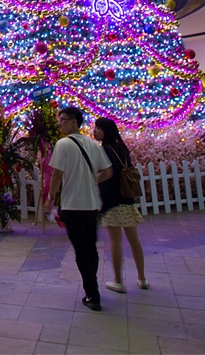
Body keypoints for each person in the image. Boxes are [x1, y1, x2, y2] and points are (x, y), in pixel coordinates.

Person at [51, 106, 113, 311]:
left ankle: (92, 293)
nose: (60, 123)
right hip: (92, 205)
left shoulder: (63, 144)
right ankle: (92, 285)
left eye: (63, 120)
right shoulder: (94, 145)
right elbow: (108, 171)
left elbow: (57, 175)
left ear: (74, 122)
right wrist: (93, 180)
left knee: (81, 249)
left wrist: (50, 198)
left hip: (72, 205)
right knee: (90, 247)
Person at [93, 117, 147, 293]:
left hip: (112, 199)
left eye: (98, 128)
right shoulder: (121, 147)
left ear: (105, 131)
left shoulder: (105, 150)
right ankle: (142, 277)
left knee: (115, 240)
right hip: (127, 197)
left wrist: (93, 180)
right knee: (134, 239)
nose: (95, 131)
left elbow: (108, 173)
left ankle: (118, 280)